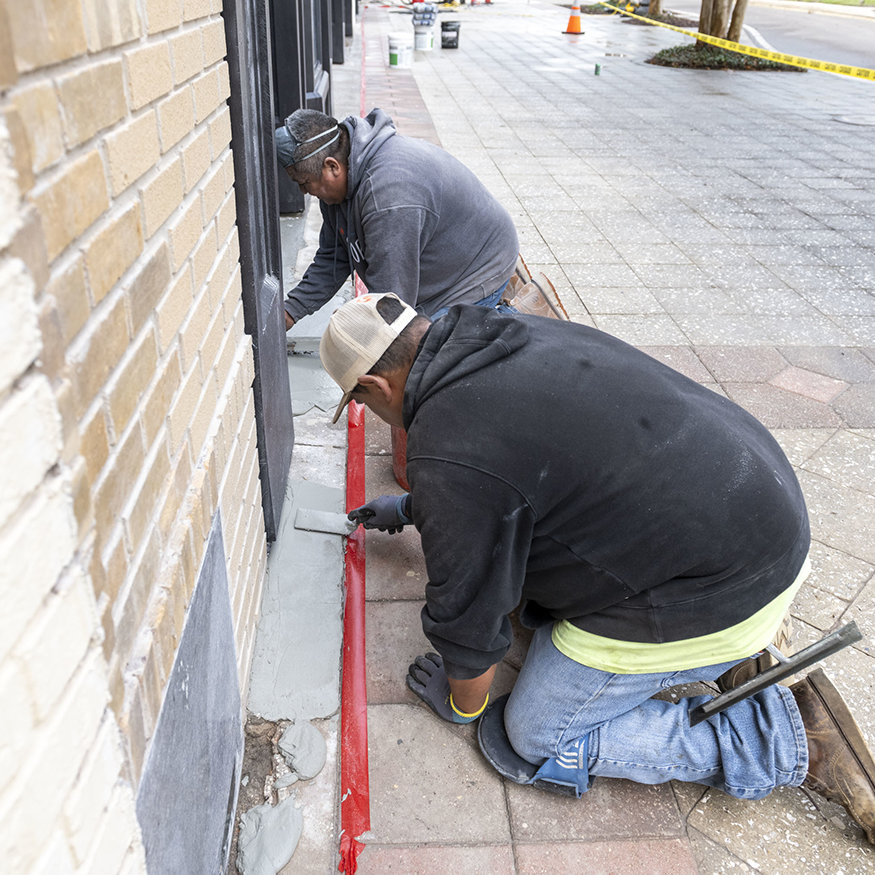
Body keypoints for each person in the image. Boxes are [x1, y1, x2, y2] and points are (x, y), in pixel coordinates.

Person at [319, 292, 875, 843]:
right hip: (763, 516)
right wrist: (415, 509)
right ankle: (733, 652)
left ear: (374, 387)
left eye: (361, 402)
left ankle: (778, 741)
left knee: (535, 734)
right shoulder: (496, 333)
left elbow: (467, 617)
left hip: (724, 583)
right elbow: (520, 472)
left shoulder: (447, 448)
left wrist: (464, 702)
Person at [275, 108, 520, 328]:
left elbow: (393, 301)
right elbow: (334, 258)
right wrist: (292, 310)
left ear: (332, 166)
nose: (305, 192)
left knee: (425, 362)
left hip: (477, 269)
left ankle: (507, 321)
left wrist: (361, 326)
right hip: (436, 265)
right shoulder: (337, 187)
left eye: (305, 183)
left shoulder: (389, 198)